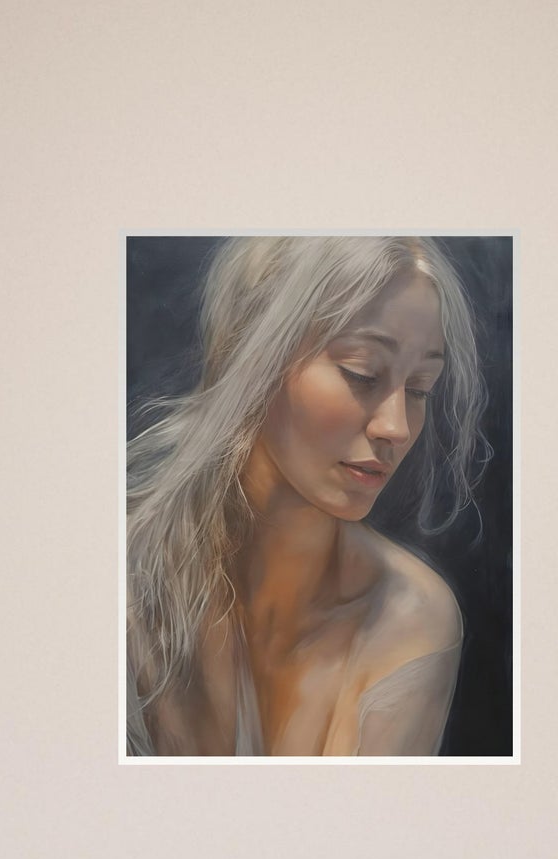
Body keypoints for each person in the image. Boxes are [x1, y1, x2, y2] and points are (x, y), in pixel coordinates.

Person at [127, 236, 490, 757]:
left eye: (419, 389)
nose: (396, 427)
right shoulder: (125, 587)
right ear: (253, 357)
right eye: (361, 373)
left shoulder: (413, 618)